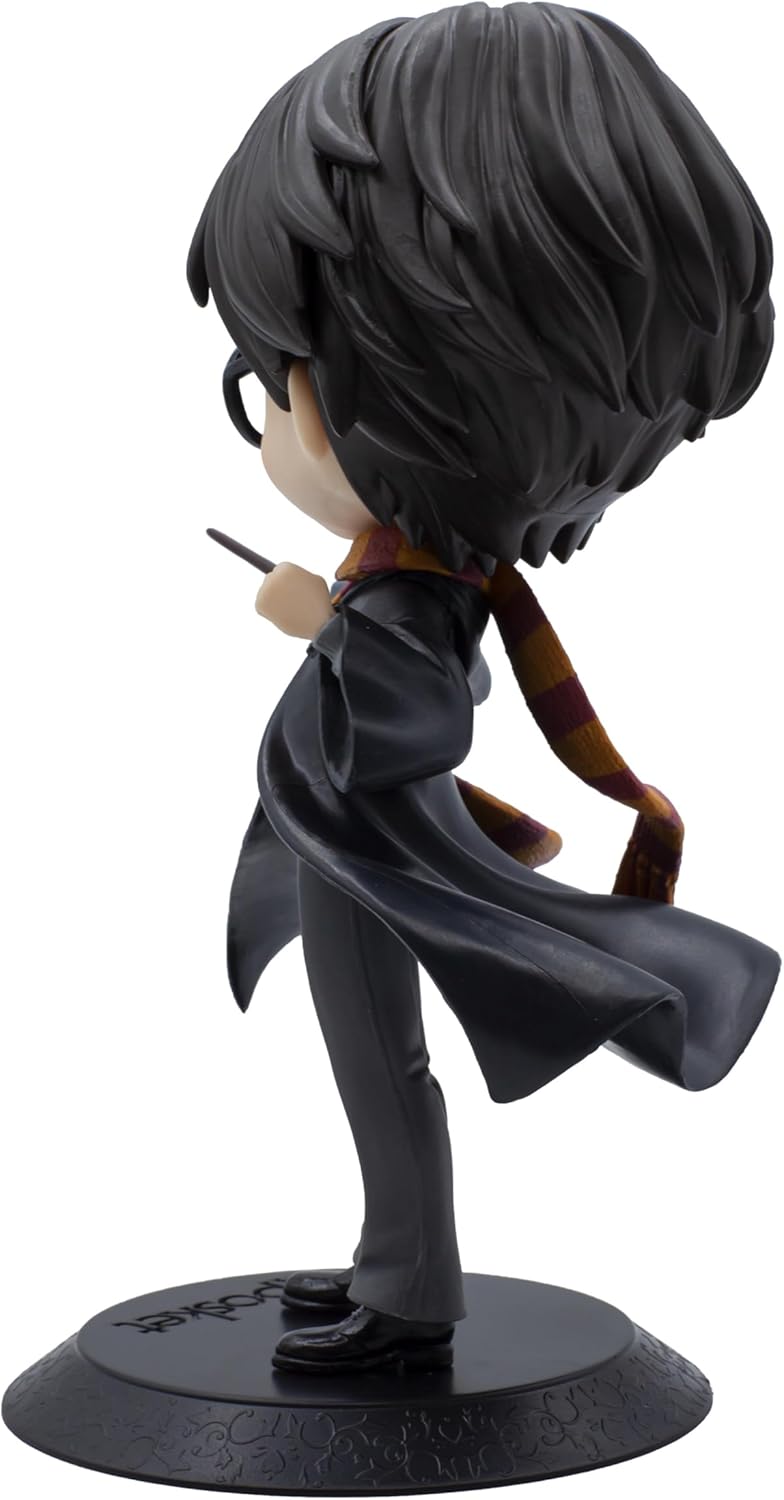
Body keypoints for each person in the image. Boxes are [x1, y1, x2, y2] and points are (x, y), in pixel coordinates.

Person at [187, 3, 778, 1374]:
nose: (273, 422)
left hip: (373, 858)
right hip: (353, 855)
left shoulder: (415, 587)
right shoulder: (416, 571)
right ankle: (392, 1267)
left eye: (275, 385)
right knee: (374, 1065)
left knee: (382, 1067)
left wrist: (316, 624)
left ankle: (407, 1293)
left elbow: (422, 717)